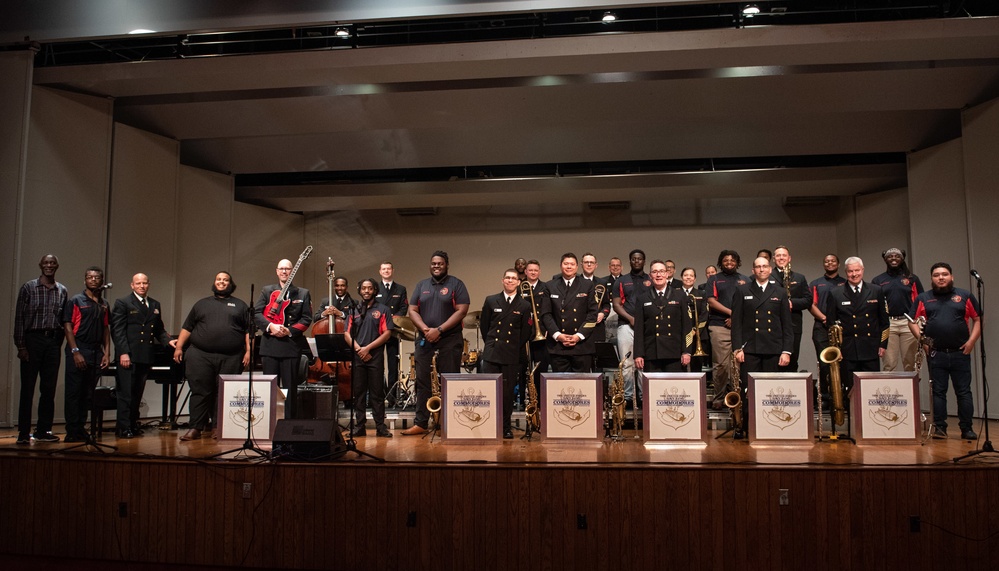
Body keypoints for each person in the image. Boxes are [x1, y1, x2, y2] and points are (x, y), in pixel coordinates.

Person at [908, 262, 982, 440]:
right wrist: (923, 340)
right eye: (936, 275)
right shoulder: (924, 298)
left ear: (952, 277)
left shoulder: (965, 296)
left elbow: (978, 319)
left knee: (963, 391)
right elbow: (911, 321)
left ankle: (967, 428)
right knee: (938, 392)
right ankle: (940, 428)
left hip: (960, 353)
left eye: (944, 274)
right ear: (932, 278)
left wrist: (971, 342)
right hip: (936, 353)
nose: (941, 278)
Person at [173, 272, 250, 441]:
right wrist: (179, 347)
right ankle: (195, 428)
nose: (221, 282)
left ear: (231, 284)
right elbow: (188, 327)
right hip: (200, 355)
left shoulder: (240, 305)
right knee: (200, 391)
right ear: (214, 283)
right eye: (218, 279)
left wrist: (248, 351)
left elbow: (247, 332)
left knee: (224, 393)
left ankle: (218, 427)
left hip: (231, 356)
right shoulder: (201, 304)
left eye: (225, 280)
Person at [402, 251, 470, 435]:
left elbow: (462, 310)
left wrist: (439, 330)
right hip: (425, 340)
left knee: (449, 381)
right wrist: (426, 330)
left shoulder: (456, 284)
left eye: (440, 263)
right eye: (433, 263)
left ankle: (447, 424)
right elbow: (413, 310)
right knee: (423, 381)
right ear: (430, 265)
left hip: (449, 339)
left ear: (447, 264)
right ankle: (421, 423)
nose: (436, 266)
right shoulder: (422, 285)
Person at [110, 273, 176, 438]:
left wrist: (169, 342)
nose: (141, 286)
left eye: (144, 283)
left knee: (137, 394)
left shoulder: (154, 304)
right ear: (132, 285)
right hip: (129, 355)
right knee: (125, 394)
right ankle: (123, 427)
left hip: (145, 355)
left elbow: (158, 329)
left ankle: (132, 425)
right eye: (138, 283)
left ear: (148, 284)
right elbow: (117, 331)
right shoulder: (123, 303)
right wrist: (123, 353)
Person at [13, 254, 69, 444]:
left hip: (52, 342)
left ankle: (43, 430)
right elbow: (19, 317)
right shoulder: (29, 287)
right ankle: (23, 432)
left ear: (57, 266)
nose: (49, 266)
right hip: (32, 341)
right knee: (28, 389)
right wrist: (21, 345)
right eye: (46, 263)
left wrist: (57, 342)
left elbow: (63, 321)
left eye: (52, 263)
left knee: (48, 389)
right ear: (40, 265)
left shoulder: (62, 290)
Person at [255, 258, 313, 420]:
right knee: (270, 389)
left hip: (291, 346)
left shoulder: (302, 293)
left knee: (290, 389)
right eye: (281, 269)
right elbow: (256, 313)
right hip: (270, 346)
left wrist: (289, 331)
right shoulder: (267, 291)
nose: (284, 271)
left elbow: (306, 319)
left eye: (288, 269)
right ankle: (267, 423)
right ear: (277, 271)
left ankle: (289, 425)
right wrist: (270, 327)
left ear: (292, 271)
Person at [479, 269, 533, 439]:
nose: (510, 281)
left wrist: (514, 346)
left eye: (513, 278)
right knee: (489, 391)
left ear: (518, 282)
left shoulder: (524, 305)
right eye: (507, 278)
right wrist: (493, 343)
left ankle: (505, 427)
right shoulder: (491, 300)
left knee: (508, 393)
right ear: (502, 280)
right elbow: (485, 327)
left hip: (511, 353)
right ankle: (488, 425)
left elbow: (526, 332)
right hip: (492, 352)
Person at [824, 257, 889, 393]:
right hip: (848, 348)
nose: (854, 274)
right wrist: (836, 348)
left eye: (857, 270)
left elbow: (884, 321)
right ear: (846, 272)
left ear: (863, 270)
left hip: (870, 347)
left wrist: (883, 345)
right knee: (850, 388)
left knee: (872, 389)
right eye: (850, 271)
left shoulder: (876, 290)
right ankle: (852, 414)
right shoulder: (836, 293)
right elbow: (831, 324)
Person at [62, 266, 111, 442]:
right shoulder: (76, 300)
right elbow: (68, 326)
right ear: (85, 280)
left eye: (97, 277)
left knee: (87, 393)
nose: (93, 280)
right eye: (89, 277)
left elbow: (106, 328)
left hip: (95, 351)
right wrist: (75, 351)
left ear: (102, 280)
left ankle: (81, 427)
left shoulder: (104, 304)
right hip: (79, 348)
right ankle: (71, 430)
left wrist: (107, 352)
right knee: (74, 392)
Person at [345, 278, 394, 438]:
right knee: (358, 393)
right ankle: (360, 426)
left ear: (375, 290)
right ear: (359, 290)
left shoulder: (383, 309)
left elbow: (387, 333)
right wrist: (359, 349)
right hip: (358, 356)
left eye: (370, 288)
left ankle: (381, 426)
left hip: (375, 357)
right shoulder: (354, 309)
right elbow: (346, 333)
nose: (366, 291)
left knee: (377, 394)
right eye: (364, 288)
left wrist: (368, 348)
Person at [706, 250, 749, 410]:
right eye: (725, 260)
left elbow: (748, 303)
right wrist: (733, 313)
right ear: (720, 262)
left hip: (741, 327)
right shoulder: (714, 279)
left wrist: (736, 318)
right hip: (719, 325)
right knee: (721, 365)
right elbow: (711, 301)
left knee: (738, 364)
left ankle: (736, 398)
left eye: (732, 260)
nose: (729, 262)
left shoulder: (745, 280)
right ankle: (719, 397)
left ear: (737, 262)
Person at [633, 260, 693, 374]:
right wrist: (638, 354)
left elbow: (687, 326)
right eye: (655, 272)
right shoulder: (643, 298)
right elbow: (639, 329)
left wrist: (686, 351)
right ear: (650, 276)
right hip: (652, 353)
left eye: (661, 271)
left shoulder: (680, 296)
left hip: (675, 353)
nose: (658, 275)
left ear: (667, 274)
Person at [544, 253, 598, 373]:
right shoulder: (550, 286)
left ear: (577, 267)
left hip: (582, 345)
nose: (569, 267)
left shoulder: (587, 285)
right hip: (558, 345)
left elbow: (592, 314)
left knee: (582, 388)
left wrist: (578, 336)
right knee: (560, 388)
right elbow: (546, 315)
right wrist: (558, 335)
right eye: (566, 264)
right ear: (560, 265)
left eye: (572, 264)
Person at [871, 248, 924, 372]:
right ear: (885, 259)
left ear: (902, 259)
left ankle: (911, 391)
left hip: (909, 324)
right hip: (888, 325)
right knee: (889, 364)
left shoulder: (912, 278)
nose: (893, 258)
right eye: (890, 256)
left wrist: (917, 321)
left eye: (897, 256)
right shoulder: (878, 280)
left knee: (910, 364)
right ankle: (890, 391)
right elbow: (874, 304)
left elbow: (921, 301)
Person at [612, 249, 651, 403]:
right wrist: (630, 318)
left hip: (646, 328)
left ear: (644, 261)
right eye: (633, 259)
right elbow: (616, 305)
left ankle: (643, 398)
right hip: (626, 326)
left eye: (639, 259)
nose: (636, 261)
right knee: (626, 364)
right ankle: (628, 397)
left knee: (643, 363)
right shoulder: (621, 281)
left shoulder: (650, 280)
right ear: (630, 261)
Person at [808, 254, 847, 408]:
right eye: (826, 261)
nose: (829, 263)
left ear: (838, 264)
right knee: (824, 363)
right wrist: (825, 319)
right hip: (821, 327)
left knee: (843, 363)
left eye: (833, 261)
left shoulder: (845, 282)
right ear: (823, 264)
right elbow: (811, 305)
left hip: (841, 328)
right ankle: (825, 396)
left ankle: (842, 396)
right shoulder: (816, 283)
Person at [772, 246, 812, 372]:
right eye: (778, 255)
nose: (781, 258)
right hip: (773, 325)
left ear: (789, 258)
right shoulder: (767, 276)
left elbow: (808, 300)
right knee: (773, 361)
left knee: (792, 360)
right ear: (773, 259)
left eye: (784, 255)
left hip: (793, 324)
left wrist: (791, 303)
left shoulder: (799, 278)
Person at [375, 261, 408, 401]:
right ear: (380, 271)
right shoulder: (374, 288)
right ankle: (378, 394)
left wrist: (393, 319)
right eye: (384, 269)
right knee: (377, 364)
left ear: (392, 270)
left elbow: (403, 307)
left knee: (393, 364)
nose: (386, 271)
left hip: (393, 330)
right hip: (377, 331)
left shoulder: (400, 289)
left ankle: (392, 395)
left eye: (388, 269)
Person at [521, 259, 549, 409]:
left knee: (540, 366)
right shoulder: (519, 288)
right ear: (525, 272)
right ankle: (523, 400)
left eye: (535, 270)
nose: (533, 272)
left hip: (541, 332)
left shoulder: (546, 287)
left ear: (539, 272)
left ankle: (539, 399)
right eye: (530, 270)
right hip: (525, 333)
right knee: (523, 366)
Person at [680, 267, 709, 373]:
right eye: (686, 275)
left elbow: (704, 315)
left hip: (698, 335)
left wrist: (694, 330)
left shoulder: (702, 294)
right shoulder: (676, 293)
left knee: (696, 367)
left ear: (695, 279)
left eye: (691, 276)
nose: (688, 277)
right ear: (681, 277)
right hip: (681, 334)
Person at [579, 253, 610, 347]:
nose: (589, 265)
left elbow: (606, 305)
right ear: (581, 264)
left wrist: (602, 314)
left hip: (597, 327)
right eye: (586, 262)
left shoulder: (602, 283)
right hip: (580, 325)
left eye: (591, 262)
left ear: (596, 265)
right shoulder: (575, 282)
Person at [601, 257, 624, 345]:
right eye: (613, 265)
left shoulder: (626, 280)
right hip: (608, 310)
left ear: (621, 267)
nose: (615, 267)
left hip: (621, 310)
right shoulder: (603, 281)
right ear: (609, 267)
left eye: (618, 265)